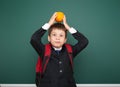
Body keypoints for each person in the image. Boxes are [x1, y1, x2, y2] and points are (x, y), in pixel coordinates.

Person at [30, 12, 89, 87]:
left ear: (65, 40)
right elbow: (34, 39)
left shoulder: (70, 50)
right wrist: (49, 24)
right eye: (54, 35)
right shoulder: (44, 50)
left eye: (61, 35)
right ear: (49, 38)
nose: (57, 38)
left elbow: (84, 41)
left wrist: (68, 27)